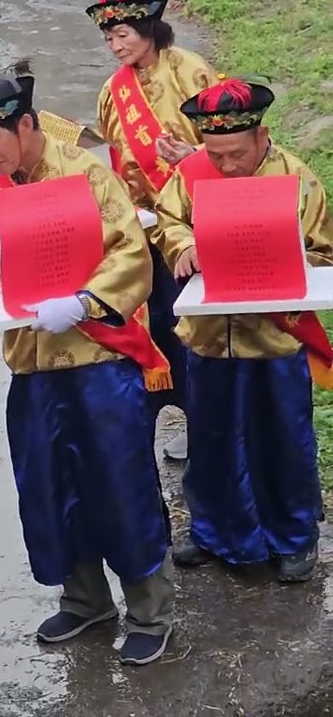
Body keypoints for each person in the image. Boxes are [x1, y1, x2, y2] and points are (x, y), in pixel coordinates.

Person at [0, 67, 175, 665]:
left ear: (25, 125)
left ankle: (150, 609)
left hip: (99, 360)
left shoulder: (88, 175)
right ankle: (84, 600)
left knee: (119, 484)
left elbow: (131, 253)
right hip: (32, 365)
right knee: (52, 489)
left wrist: (83, 301)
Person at [152, 77, 333, 581]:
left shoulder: (296, 177)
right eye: (216, 154)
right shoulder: (191, 174)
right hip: (210, 334)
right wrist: (181, 244)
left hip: (274, 337)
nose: (226, 165)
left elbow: (322, 248)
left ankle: (293, 537)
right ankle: (216, 533)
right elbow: (167, 219)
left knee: (281, 438)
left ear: (261, 136)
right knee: (212, 437)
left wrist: (286, 251)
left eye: (235, 153)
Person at [90, 0, 219, 460]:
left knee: (197, 328)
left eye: (123, 35)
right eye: (109, 38)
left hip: (193, 223)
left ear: (149, 29)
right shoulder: (113, 91)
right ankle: (172, 412)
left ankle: (207, 419)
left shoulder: (191, 71)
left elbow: (232, 146)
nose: (115, 46)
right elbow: (114, 160)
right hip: (145, 230)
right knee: (159, 324)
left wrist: (193, 159)